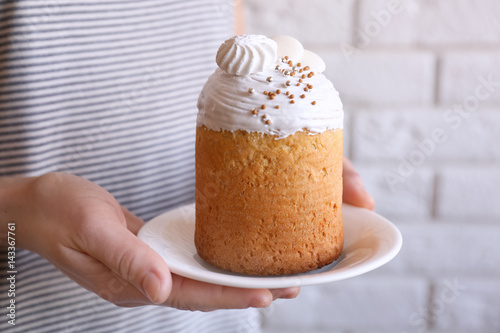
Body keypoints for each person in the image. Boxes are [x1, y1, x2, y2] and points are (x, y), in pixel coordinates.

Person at [0, 1, 375, 332]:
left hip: (216, 308)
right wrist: (22, 209)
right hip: (35, 308)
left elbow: (248, 68)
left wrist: (297, 159)